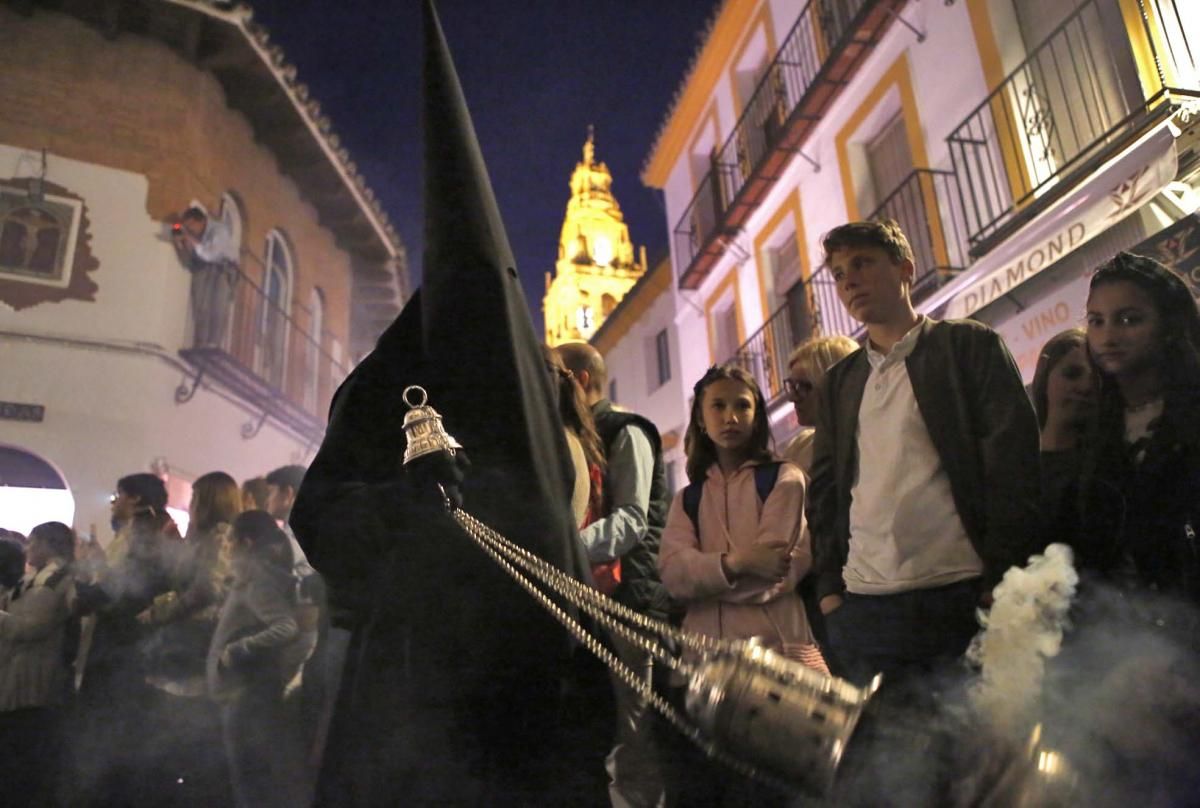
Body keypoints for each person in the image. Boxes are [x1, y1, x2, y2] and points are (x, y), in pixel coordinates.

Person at [289, 5, 599, 804]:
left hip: (538, 685)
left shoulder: (541, 394)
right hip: (413, 691)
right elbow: (320, 513)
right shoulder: (386, 386)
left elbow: (558, 532)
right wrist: (403, 507)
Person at [807, 219, 1041, 688]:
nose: (848, 280)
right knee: (892, 753)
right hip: (867, 605)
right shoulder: (840, 381)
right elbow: (827, 490)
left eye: (862, 263)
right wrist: (831, 592)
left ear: (905, 268)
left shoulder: (968, 347)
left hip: (960, 593)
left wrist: (1002, 576)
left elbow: (1013, 467)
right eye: (837, 273)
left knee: (972, 748)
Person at [658, 364, 825, 807]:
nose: (730, 416)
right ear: (701, 417)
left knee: (774, 792)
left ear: (757, 415)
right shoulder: (687, 499)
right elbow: (672, 576)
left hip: (776, 668)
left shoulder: (784, 479)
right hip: (705, 673)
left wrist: (706, 578)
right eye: (718, 405)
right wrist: (735, 563)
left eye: (742, 405)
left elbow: (776, 575)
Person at [557, 341, 672, 808]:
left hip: (630, 600)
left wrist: (564, 548)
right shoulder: (577, 433)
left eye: (556, 378)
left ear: (581, 380)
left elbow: (632, 520)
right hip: (590, 595)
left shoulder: (625, 431)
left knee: (633, 730)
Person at [1075, 252, 1200, 602]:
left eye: (1129, 319)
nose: (1108, 336)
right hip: (1131, 632)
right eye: (1096, 321)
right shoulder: (1096, 427)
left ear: (1170, 326)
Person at [208, 511, 305, 808]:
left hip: (246, 698)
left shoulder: (258, 578)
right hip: (240, 696)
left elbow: (286, 626)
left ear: (246, 543)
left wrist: (238, 649)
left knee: (249, 785)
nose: (226, 549)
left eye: (230, 542)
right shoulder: (251, 577)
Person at [0, 522, 75, 802]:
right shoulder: (36, 579)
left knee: (21, 757)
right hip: (16, 672)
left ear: (48, 545)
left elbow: (29, 627)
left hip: (33, 680)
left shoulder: (55, 581)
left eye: (33, 543)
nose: (27, 549)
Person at [1029, 328, 1093, 549]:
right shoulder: (1016, 472)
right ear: (1046, 375)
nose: (1086, 387)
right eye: (1072, 373)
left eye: (1095, 379)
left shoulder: (1105, 464)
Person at [782, 335, 860, 474]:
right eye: (791, 386)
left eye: (802, 386)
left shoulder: (868, 441)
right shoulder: (799, 447)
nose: (793, 398)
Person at [173, 206, 239, 348]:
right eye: (186, 227)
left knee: (217, 307)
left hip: (222, 270)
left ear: (201, 221)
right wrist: (180, 243)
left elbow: (211, 254)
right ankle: (201, 342)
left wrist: (191, 240)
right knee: (201, 307)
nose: (189, 230)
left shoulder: (219, 230)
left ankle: (213, 344)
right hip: (204, 271)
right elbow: (188, 263)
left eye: (190, 226)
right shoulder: (196, 237)